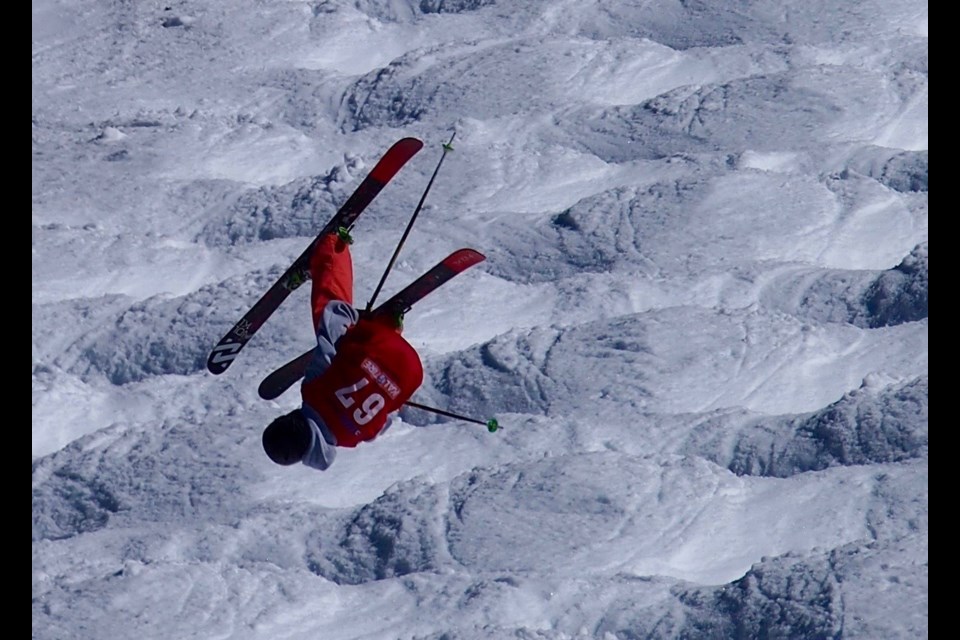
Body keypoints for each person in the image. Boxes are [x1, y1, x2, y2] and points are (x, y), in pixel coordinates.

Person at [261, 228, 423, 470]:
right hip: (380, 344)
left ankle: (390, 324)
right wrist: (354, 321)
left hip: (411, 371)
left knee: (374, 378)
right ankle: (332, 248)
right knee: (329, 314)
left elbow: (385, 420)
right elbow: (331, 338)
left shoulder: (353, 438)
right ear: (293, 422)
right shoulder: (313, 391)